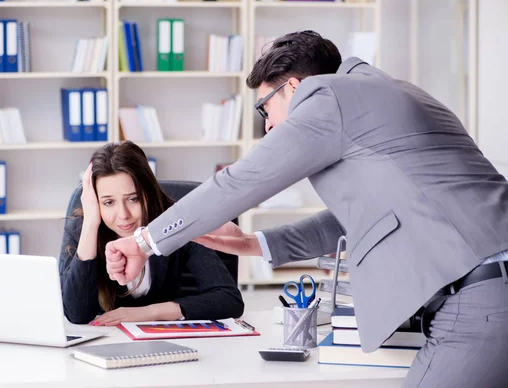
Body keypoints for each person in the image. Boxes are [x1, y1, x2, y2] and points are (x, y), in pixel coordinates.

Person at [104, 30, 508, 387]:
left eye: (265, 107)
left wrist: (144, 242)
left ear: (295, 88)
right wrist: (252, 243)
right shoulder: (394, 93)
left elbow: (241, 181)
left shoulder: (327, 96)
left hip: (480, 298)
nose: (268, 126)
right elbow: (358, 221)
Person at [58, 141, 244, 326]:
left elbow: (229, 299)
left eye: (133, 199)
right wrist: (91, 223)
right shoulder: (84, 227)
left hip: (171, 338)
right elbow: (77, 314)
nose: (123, 215)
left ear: (148, 193)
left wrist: (151, 312)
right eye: (108, 202)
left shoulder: (175, 222)